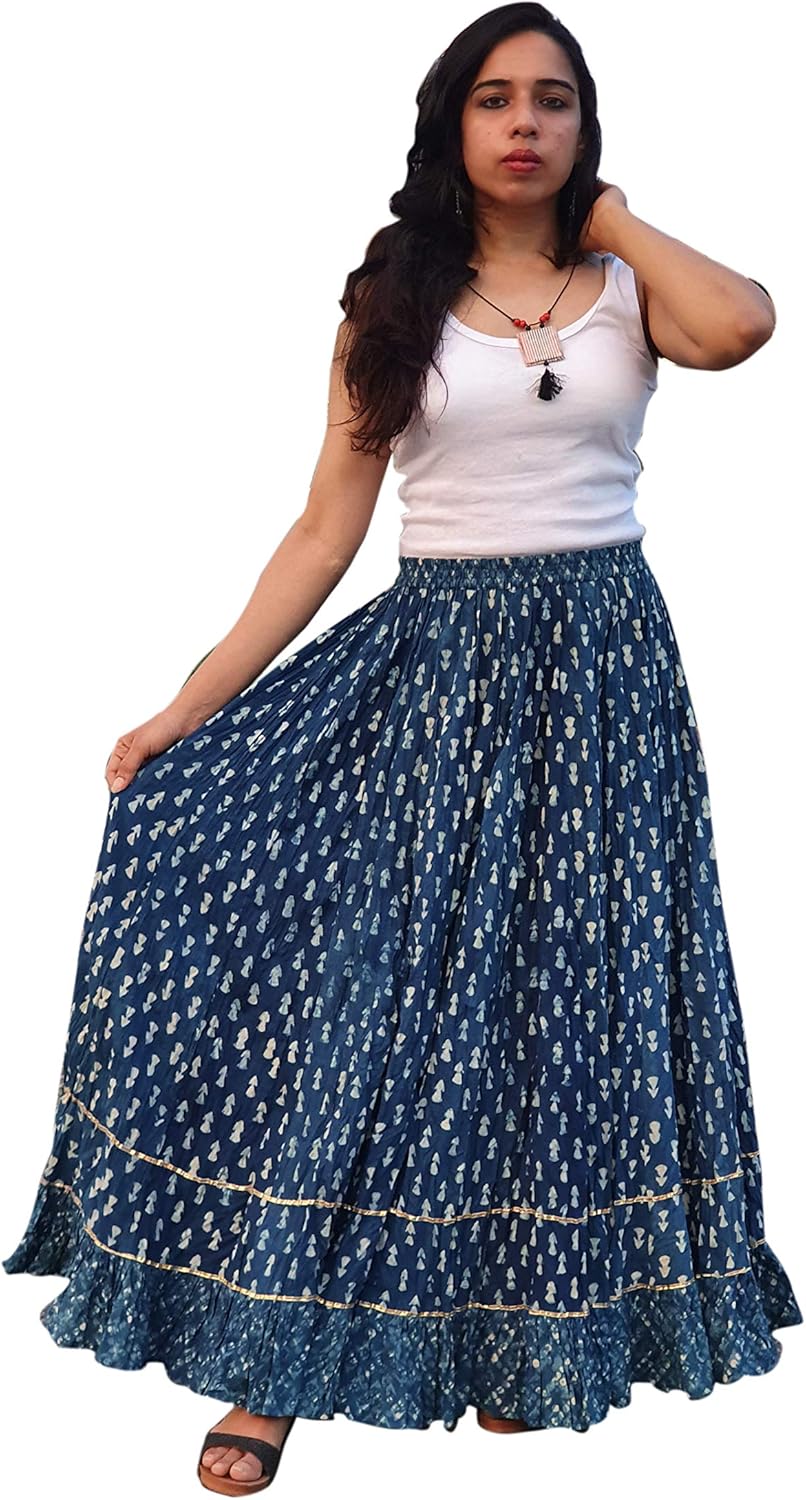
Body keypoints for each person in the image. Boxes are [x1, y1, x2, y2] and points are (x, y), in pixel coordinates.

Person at [4, 4, 802, 1493]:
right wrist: (187, 706)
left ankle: (521, 1341)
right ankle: (268, 1367)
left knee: (563, 1009)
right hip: (434, 677)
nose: (524, 123)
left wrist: (613, 216)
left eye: (552, 100)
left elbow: (743, 330)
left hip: (605, 682)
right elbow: (325, 530)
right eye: (493, 99)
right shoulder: (392, 297)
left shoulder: (632, 285)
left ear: (585, 126)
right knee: (381, 1008)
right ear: (449, 125)